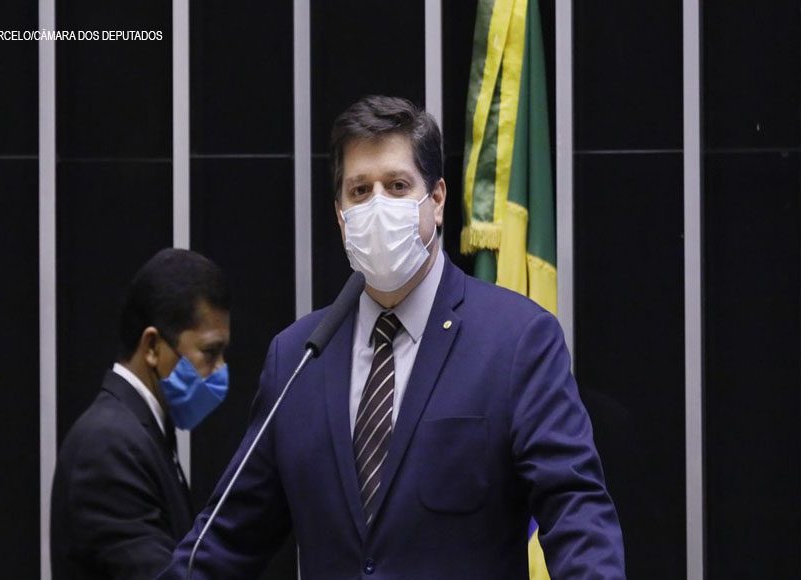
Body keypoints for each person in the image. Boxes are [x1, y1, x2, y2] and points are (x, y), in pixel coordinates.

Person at [160, 96, 625, 579]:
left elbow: (576, 511)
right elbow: (226, 539)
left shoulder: (516, 340)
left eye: (397, 185)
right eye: (360, 191)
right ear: (340, 214)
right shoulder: (298, 357)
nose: (377, 205)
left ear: (437, 200)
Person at [51, 248, 232, 579]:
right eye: (210, 352)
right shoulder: (108, 444)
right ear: (152, 347)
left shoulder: (142, 432)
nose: (220, 369)